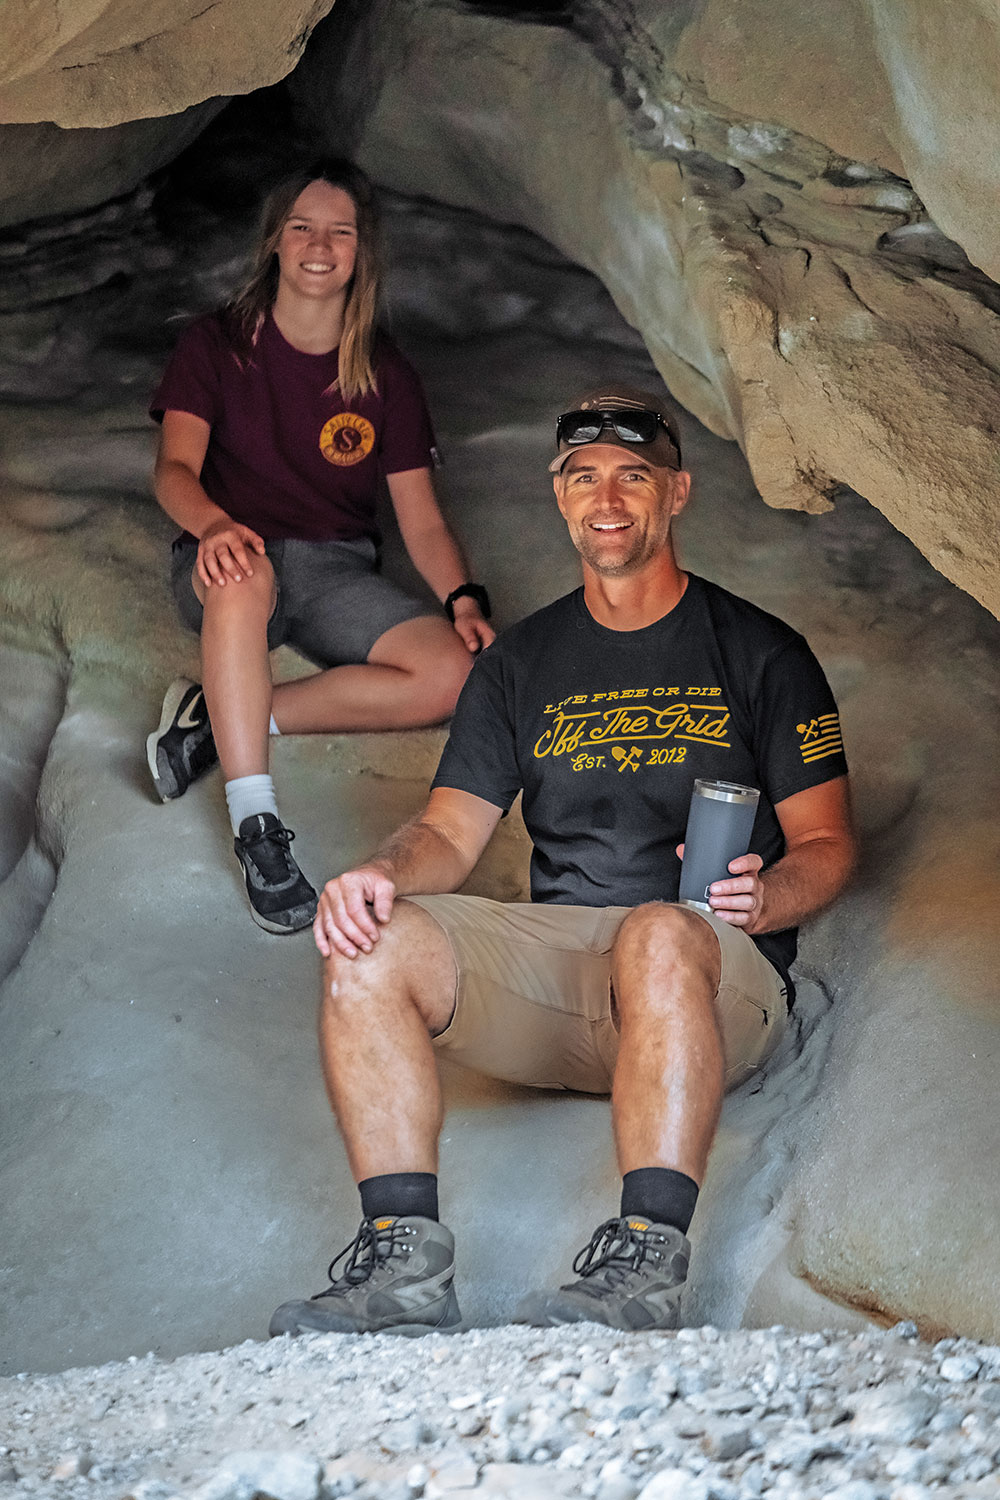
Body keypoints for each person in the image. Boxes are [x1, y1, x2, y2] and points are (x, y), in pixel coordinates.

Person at [269, 385, 855, 1337]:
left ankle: (645, 1261)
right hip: (561, 979)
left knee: (660, 931)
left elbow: (829, 844)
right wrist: (379, 873)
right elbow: (449, 835)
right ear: (560, 496)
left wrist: (767, 892)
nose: (608, 498)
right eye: (585, 478)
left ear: (676, 493)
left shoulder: (761, 652)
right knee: (368, 943)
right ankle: (402, 1268)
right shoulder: (520, 662)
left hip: (706, 975)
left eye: (633, 475)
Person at [147, 159, 494, 934]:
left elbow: (422, 518)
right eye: (302, 227)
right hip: (229, 556)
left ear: (362, 252)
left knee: (451, 674)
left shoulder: (385, 372)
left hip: (335, 566)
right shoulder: (216, 346)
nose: (318, 245)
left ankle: (222, 720)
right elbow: (173, 470)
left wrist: (462, 599)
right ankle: (256, 824)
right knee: (241, 579)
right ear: (275, 240)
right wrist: (212, 526)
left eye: (340, 232)